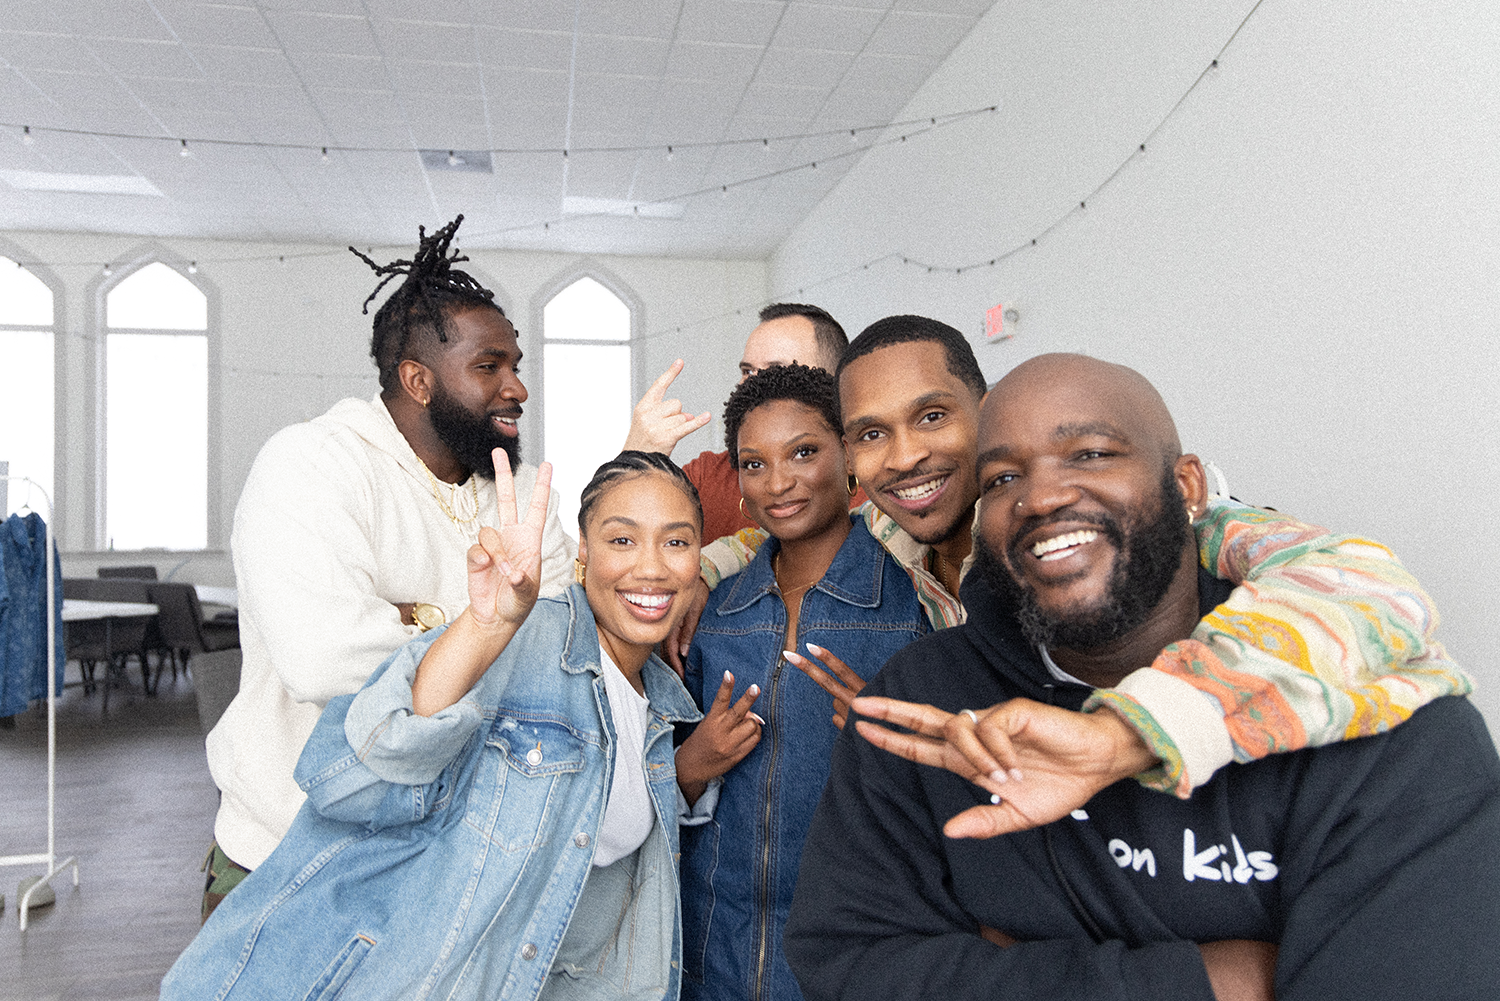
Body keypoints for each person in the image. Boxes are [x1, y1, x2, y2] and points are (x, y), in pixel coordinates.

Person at [784, 354, 1500, 1001]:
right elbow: (850, 963)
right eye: (1002, 478)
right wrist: (1210, 980)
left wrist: (1000, 965)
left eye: (1090, 454)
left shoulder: (1396, 734)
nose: (1042, 497)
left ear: (1187, 486)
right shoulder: (923, 700)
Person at [711, 315, 1470, 801]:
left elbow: (1369, 589)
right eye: (872, 434)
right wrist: (691, 576)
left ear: (988, 410)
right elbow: (784, 532)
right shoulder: (890, 530)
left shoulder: (1124, 523)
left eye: (933, 417)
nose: (905, 456)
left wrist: (1126, 733)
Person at [164, 450, 705, 1001]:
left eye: (677, 542)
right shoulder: (526, 637)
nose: (652, 567)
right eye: (622, 540)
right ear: (583, 551)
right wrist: (487, 625)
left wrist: (694, 768)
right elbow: (362, 772)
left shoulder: (663, 709)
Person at [202, 216, 575, 918]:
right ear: (418, 379)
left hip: (449, 857)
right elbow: (323, 661)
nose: (518, 387)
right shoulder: (311, 464)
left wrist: (417, 618)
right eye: (489, 366)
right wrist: (487, 626)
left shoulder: (521, 493)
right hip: (291, 857)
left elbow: (559, 657)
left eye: (516, 365)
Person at [671, 365, 928, 1001]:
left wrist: (893, 750)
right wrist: (688, 766)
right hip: (711, 958)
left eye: (804, 452)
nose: (778, 482)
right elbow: (648, 798)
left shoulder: (914, 609)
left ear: (850, 457)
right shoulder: (713, 615)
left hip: (860, 963)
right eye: (753, 464)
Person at [624, 303, 852, 544]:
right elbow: (620, 540)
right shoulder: (707, 477)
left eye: (777, 371)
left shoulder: (873, 490)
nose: (754, 385)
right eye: (748, 372)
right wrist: (633, 459)